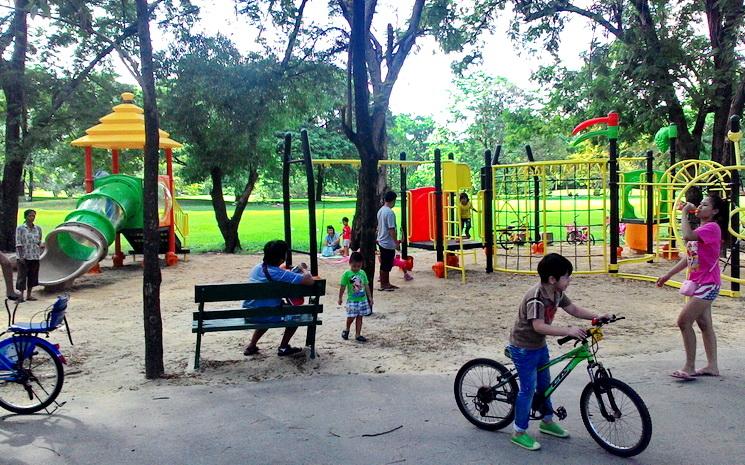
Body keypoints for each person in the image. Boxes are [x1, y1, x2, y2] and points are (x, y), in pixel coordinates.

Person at [508, 253, 609, 451]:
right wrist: (567, 331)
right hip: (523, 347)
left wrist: (597, 317)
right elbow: (538, 326)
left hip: (539, 346)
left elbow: (573, 308)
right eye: (567, 276)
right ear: (553, 279)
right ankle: (518, 432)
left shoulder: (556, 293)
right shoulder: (536, 298)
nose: (570, 279)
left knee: (545, 385)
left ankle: (547, 421)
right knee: (528, 389)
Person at [656, 193, 727, 380]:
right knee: (704, 324)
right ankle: (712, 366)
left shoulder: (711, 228)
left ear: (715, 211)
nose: (701, 207)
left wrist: (684, 214)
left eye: (705, 205)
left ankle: (689, 366)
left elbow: (687, 236)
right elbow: (690, 258)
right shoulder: (704, 229)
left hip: (708, 284)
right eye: (701, 204)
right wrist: (668, 275)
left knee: (683, 321)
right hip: (699, 283)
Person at [242, 240, 314, 357]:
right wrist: (303, 269)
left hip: (250, 313)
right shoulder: (280, 274)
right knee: (295, 313)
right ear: (281, 259)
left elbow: (274, 271)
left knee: (266, 309)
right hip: (268, 315)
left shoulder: (256, 268)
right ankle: (284, 347)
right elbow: (309, 280)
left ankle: (252, 345)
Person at [338, 251, 373, 342]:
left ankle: (358, 334)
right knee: (351, 316)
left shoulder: (362, 273)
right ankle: (347, 329)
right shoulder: (347, 274)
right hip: (352, 300)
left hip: (362, 299)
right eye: (354, 266)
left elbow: (366, 285)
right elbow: (342, 286)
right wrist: (340, 297)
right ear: (350, 263)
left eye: (359, 266)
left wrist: (370, 297)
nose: (356, 268)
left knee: (360, 317)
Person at [15, 209, 44, 301]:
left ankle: (29, 295)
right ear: (25, 217)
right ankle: (21, 296)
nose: (32, 218)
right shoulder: (20, 228)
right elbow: (18, 242)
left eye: (33, 216)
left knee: (32, 276)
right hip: (24, 255)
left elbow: (39, 241)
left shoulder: (38, 229)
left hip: (34, 255)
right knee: (22, 276)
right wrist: (21, 256)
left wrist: (41, 250)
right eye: (30, 216)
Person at [376, 191, 400, 291]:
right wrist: (396, 243)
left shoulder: (381, 210)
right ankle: (384, 284)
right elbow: (391, 229)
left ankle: (386, 282)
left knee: (385, 263)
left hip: (381, 240)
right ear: (393, 200)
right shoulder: (389, 212)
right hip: (387, 242)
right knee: (386, 264)